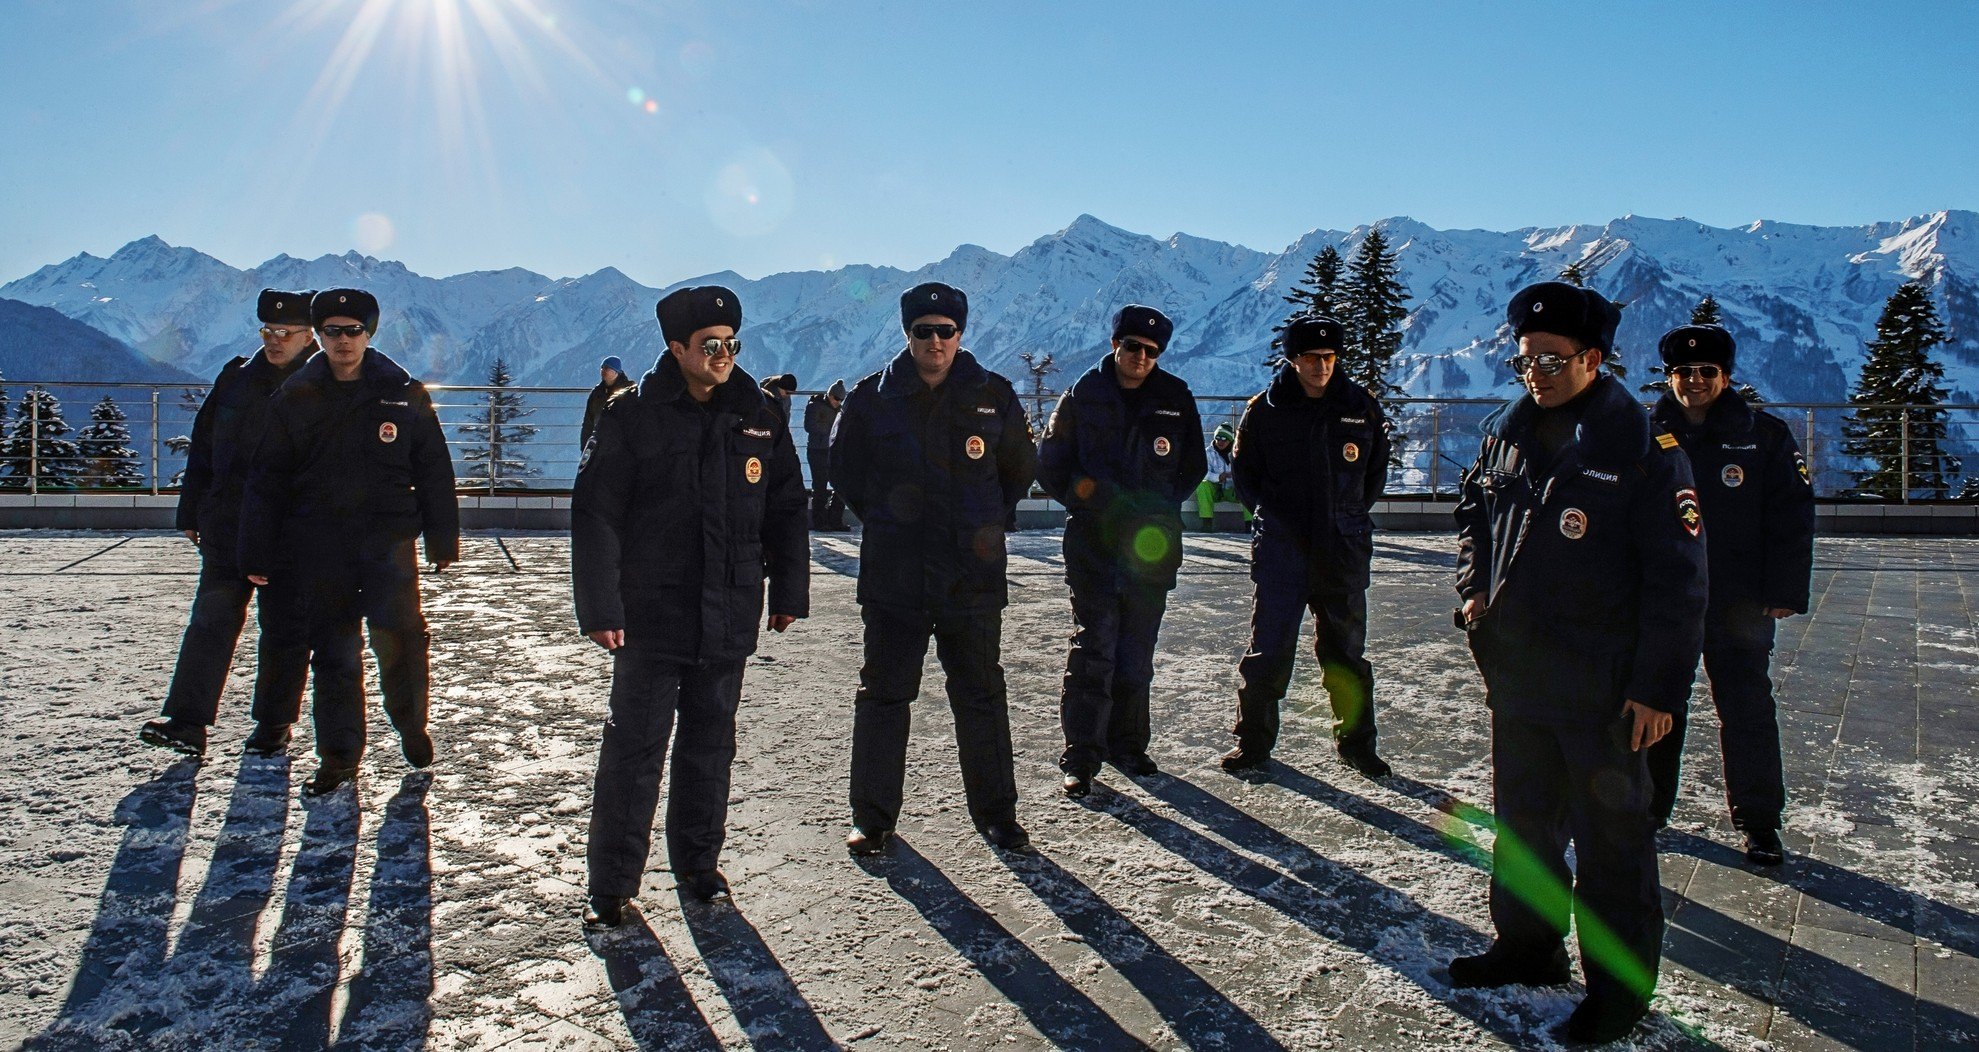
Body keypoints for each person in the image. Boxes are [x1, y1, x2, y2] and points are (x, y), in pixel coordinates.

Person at [1449, 281, 1707, 1044]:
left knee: (1612, 848)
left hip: (1605, 688)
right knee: (1523, 829)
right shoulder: (1506, 428)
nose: (1536, 373)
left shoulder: (1642, 445)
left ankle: (1619, 992)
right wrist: (1472, 591)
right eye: (1525, 359)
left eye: (1553, 360)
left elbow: (1680, 581)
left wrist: (1659, 689)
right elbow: (1474, 512)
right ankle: (1526, 950)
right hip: (1520, 676)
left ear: (1594, 358)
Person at [572, 285, 809, 927]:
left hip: (728, 614)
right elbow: (596, 513)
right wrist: (600, 605)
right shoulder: (630, 415)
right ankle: (614, 885)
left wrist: (789, 590)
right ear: (676, 348)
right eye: (710, 345)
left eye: (732, 343)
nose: (724, 354)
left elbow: (787, 505)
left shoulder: (758, 413)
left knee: (711, 749)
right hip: (649, 618)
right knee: (635, 751)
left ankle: (699, 871)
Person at [829, 281, 1037, 855]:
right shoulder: (872, 398)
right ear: (908, 334)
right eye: (924, 331)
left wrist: (982, 523)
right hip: (896, 577)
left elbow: (1018, 468)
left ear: (960, 334)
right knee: (885, 696)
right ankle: (871, 819)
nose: (936, 342)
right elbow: (845, 472)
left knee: (981, 695)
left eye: (946, 331)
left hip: (971, 578)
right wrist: (893, 524)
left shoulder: (992, 394)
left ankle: (997, 815)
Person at [239, 288, 460, 797]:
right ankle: (339, 757)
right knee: (334, 652)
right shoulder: (295, 395)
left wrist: (442, 538)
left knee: (402, 641)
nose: (343, 340)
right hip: (319, 548)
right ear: (317, 336)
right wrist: (256, 549)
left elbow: (433, 469)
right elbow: (267, 478)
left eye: (353, 330)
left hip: (387, 545)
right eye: (332, 331)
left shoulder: (403, 391)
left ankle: (411, 726)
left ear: (369, 334)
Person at [1646, 323, 1814, 865]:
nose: (1694, 381)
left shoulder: (1764, 435)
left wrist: (1784, 588)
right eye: (1683, 372)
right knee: (1657, 704)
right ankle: (1646, 811)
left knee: (1746, 710)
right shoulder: (1642, 434)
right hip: (1666, 600)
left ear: (1727, 376)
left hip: (1737, 600)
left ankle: (1760, 823)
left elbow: (1791, 515)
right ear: (1669, 377)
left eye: (1707, 372)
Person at [139, 289, 317, 758]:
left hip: (290, 533)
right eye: (268, 331)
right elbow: (203, 445)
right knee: (210, 621)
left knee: (283, 628)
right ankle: (187, 722)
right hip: (227, 524)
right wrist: (191, 508)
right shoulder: (235, 377)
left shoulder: (326, 385)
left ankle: (274, 723)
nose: (274, 341)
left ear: (308, 336)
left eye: (285, 333)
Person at [1037, 305, 1205, 796]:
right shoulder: (1083, 395)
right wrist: (1093, 501)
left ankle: (1128, 745)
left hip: (1150, 547)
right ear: (1116, 345)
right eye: (1133, 346)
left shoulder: (1175, 398)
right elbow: (1051, 464)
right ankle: (1082, 755)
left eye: (1152, 351)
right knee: (1095, 649)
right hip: (1093, 544)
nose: (1141, 357)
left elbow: (1191, 465)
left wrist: (1155, 506)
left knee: (1137, 651)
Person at [1220, 316, 1393, 779]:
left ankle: (1357, 744)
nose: (1322, 366)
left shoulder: (1361, 407)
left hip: (1341, 550)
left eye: (1329, 358)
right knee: (1268, 652)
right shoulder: (1265, 410)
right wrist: (1279, 521)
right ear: (1293, 360)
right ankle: (1253, 743)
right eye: (1312, 358)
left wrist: (1344, 515)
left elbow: (1373, 474)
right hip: (1282, 552)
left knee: (1346, 654)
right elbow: (1245, 477)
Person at [803, 379, 849, 531]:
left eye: (840, 400)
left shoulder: (839, 411)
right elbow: (810, 426)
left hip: (832, 451)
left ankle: (834, 519)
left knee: (841, 486)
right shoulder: (815, 406)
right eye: (836, 398)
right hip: (817, 451)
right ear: (829, 395)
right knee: (820, 486)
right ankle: (820, 522)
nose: (838, 402)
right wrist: (833, 432)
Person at [1193, 421, 1249, 530]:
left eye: (1224, 439)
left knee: (1247, 485)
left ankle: (1249, 524)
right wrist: (1218, 477)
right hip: (1216, 490)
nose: (1220, 442)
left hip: (1234, 490)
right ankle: (1207, 523)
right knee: (1202, 485)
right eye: (1218, 438)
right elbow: (1203, 472)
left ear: (1230, 440)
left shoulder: (1239, 453)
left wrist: (1235, 477)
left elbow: (1246, 471)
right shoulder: (1208, 453)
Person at [581, 356, 636, 451]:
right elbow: (588, 422)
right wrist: (585, 446)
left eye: (607, 368)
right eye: (602, 368)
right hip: (599, 442)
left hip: (621, 444)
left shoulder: (629, 390)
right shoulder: (597, 392)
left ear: (616, 372)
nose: (603, 370)